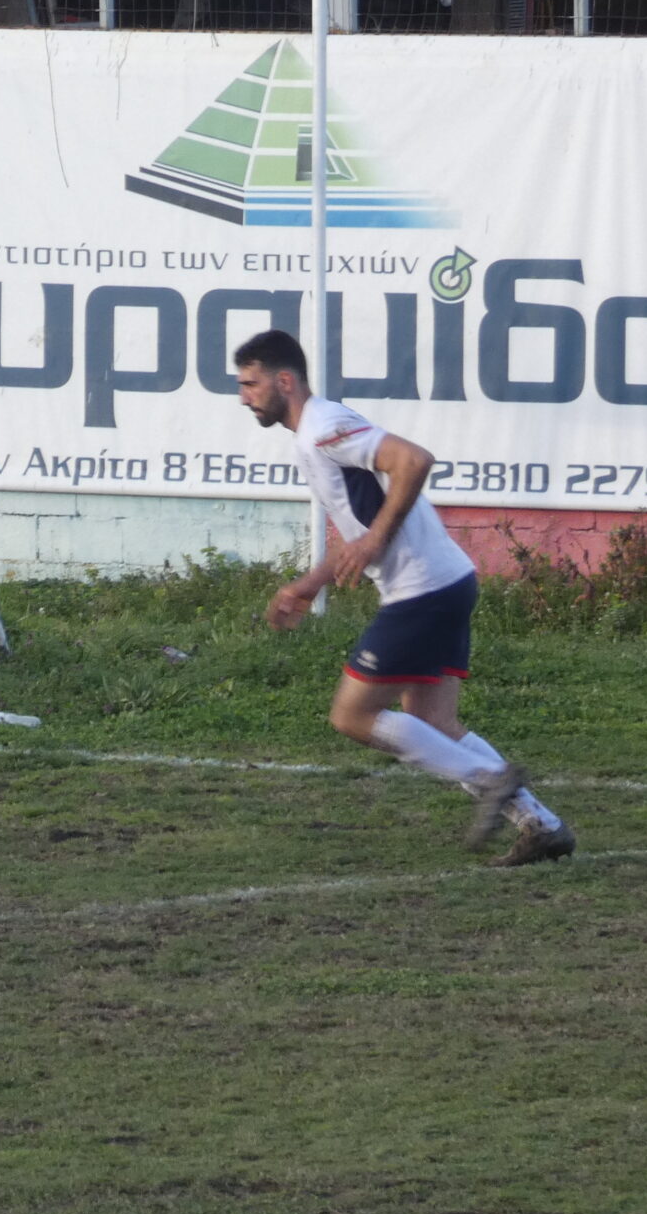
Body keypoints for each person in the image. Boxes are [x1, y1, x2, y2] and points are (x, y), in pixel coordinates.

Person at [233, 328, 573, 866]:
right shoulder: (316, 435)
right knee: (435, 723)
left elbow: (413, 460)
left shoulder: (324, 426)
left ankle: (491, 781)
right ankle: (542, 825)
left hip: (422, 590)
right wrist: (311, 581)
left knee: (351, 715)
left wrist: (377, 538)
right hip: (447, 581)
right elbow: (360, 526)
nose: (243, 396)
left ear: (284, 381)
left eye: (250, 384)